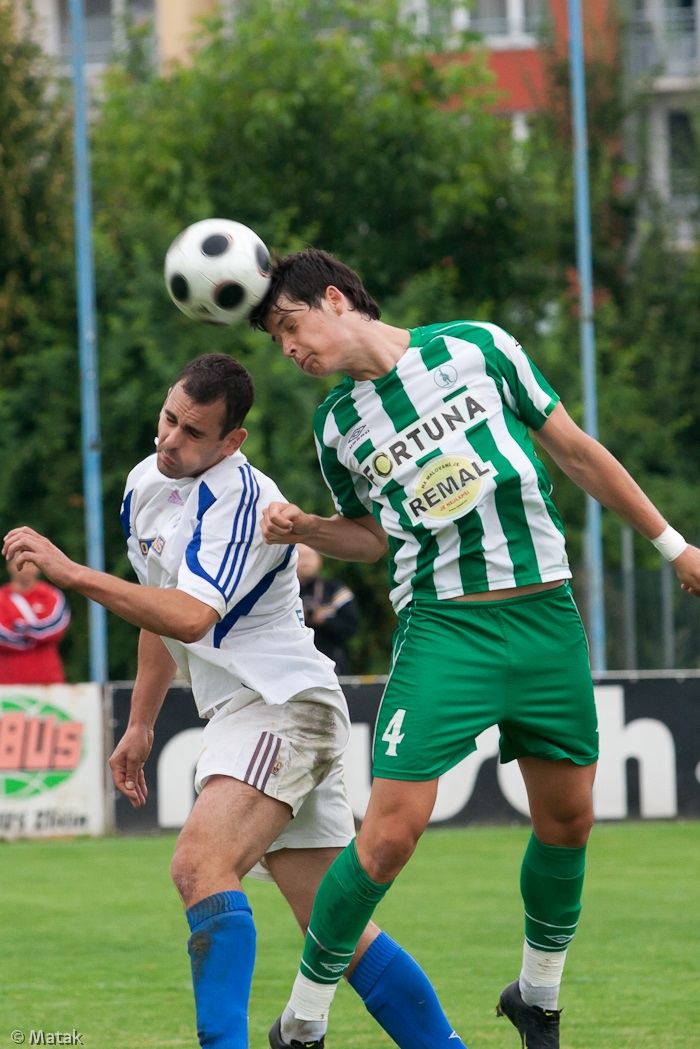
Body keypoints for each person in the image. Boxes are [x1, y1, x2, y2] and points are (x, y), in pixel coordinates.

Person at [251, 247, 700, 1049]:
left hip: (546, 618)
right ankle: (305, 1019)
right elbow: (373, 535)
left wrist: (674, 545)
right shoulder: (337, 426)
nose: (289, 349)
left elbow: (576, 450)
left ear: (332, 298)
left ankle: (537, 994)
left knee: (569, 819)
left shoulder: (479, 347)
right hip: (447, 629)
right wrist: (309, 527)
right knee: (388, 834)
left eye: (290, 326)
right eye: (277, 342)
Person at [2, 353, 468, 1049]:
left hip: (280, 704)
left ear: (231, 442)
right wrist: (139, 723)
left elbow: (190, 617)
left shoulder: (245, 502)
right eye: (168, 417)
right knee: (331, 925)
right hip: (259, 712)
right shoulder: (145, 483)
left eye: (193, 433)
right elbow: (158, 613)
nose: (169, 440)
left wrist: (71, 571)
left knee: (199, 864)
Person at [0, 558, 71, 685]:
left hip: (49, 683)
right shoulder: (2, 598)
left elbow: (56, 627)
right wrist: (37, 637)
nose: (26, 568)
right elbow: (3, 636)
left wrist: (20, 628)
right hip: (8, 685)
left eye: (30, 562)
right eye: (20, 562)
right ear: (9, 565)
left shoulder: (52, 595)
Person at [296, 543, 359, 675]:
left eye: (308, 556)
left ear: (319, 560)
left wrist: (323, 621)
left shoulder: (335, 591)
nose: (304, 562)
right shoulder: (285, 594)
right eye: (299, 556)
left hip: (332, 666)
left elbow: (351, 627)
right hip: (296, 666)